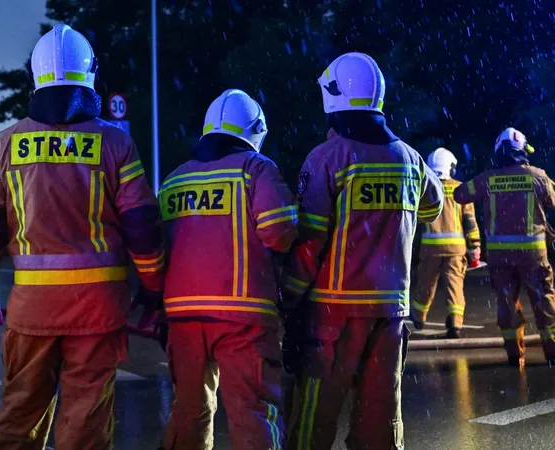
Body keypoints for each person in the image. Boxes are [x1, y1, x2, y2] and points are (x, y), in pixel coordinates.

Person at [0, 24, 165, 449]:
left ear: (35, 76)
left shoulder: (3, 146)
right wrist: (153, 291)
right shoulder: (116, 145)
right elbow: (142, 229)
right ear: (90, 74)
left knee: (19, 417)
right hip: (98, 311)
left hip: (31, 311)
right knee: (86, 424)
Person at [281, 52, 444, 450]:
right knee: (380, 425)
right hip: (390, 315)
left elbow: (310, 242)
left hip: (333, 314)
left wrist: (288, 297)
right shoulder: (410, 159)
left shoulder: (327, 158)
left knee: (312, 423)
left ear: (333, 98)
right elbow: (432, 207)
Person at [159, 89, 298, 450]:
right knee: (252, 412)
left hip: (183, 317)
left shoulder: (174, 180)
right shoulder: (256, 169)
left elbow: (157, 247)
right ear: (256, 132)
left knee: (189, 411)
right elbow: (280, 231)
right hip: (243, 315)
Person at [454, 127, 555, 367]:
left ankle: (514, 353)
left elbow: (459, 194)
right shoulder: (537, 176)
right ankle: (552, 350)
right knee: (544, 301)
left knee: (506, 304)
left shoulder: (487, 179)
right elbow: (552, 200)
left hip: (500, 257)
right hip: (533, 255)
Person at [410, 147, 481, 338]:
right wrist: (474, 246)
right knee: (454, 285)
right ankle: (455, 324)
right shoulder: (461, 189)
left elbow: (416, 221)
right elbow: (469, 221)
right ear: (451, 167)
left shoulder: (424, 189)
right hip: (456, 250)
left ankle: (418, 317)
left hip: (430, 249)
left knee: (425, 284)